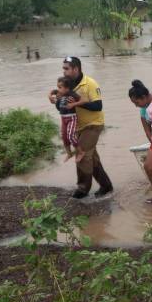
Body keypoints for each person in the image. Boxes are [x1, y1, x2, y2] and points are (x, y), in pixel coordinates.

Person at [48, 56, 114, 198]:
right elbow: (62, 108)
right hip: (77, 126)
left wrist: (76, 103)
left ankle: (83, 189)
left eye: (66, 68)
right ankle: (106, 186)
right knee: (92, 158)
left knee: (82, 155)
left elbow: (98, 106)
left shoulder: (90, 83)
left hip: (93, 124)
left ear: (76, 69)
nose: (64, 71)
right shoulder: (66, 85)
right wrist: (56, 101)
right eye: (63, 68)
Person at [53, 76, 85, 163]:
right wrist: (52, 98)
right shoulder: (60, 95)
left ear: (67, 88)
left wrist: (73, 104)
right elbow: (58, 106)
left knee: (71, 136)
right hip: (63, 118)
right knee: (64, 137)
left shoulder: (72, 94)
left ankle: (81, 152)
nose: (58, 89)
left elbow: (83, 100)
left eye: (60, 87)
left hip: (72, 118)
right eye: (58, 87)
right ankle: (69, 153)